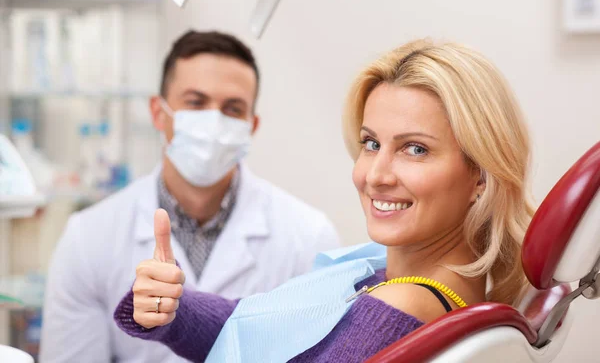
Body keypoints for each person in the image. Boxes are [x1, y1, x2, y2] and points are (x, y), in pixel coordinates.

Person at [113, 39, 535, 362]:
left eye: (415, 149)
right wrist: (172, 307)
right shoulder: (385, 277)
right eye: (371, 143)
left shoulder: (397, 311)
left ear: (480, 175)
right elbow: (257, 326)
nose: (376, 175)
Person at [40, 30, 340, 363]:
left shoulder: (309, 237)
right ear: (158, 112)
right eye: (196, 103)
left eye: (232, 108)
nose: (213, 121)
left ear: (251, 127)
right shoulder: (88, 238)